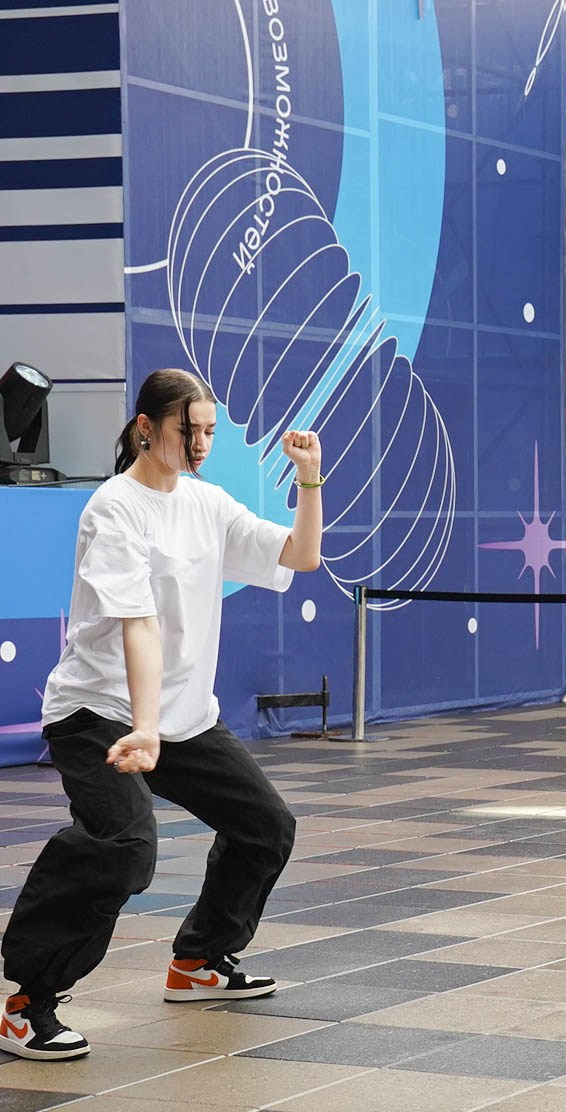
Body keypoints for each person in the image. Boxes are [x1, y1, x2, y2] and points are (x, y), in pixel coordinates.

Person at [2, 369, 322, 1062]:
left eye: (209, 430)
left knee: (265, 827)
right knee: (124, 845)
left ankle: (199, 961)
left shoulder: (207, 504)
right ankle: (28, 1002)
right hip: (98, 713)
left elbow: (301, 554)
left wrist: (310, 482)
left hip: (178, 719)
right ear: (147, 428)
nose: (201, 443)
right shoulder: (112, 510)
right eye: (189, 429)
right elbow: (137, 626)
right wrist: (143, 728)